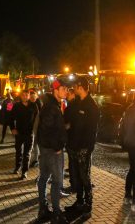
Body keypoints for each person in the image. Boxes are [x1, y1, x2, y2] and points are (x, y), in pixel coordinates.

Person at [64, 78, 99, 220]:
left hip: (83, 148)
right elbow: (70, 120)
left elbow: (92, 131)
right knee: (77, 177)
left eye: (76, 86)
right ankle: (79, 202)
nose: (74, 88)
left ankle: (88, 205)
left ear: (81, 87)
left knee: (85, 177)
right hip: (73, 146)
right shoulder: (78, 103)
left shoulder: (92, 106)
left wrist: (87, 148)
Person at [37, 80, 68, 224]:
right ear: (56, 91)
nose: (66, 91)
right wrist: (57, 147)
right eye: (63, 89)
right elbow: (47, 130)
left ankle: (43, 209)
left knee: (43, 177)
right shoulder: (52, 108)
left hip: (46, 148)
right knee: (57, 181)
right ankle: (56, 214)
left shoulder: (51, 106)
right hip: (52, 150)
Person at [10, 90, 39, 180]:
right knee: (18, 151)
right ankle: (17, 167)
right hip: (19, 132)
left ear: (29, 96)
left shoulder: (34, 106)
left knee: (27, 153)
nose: (25, 96)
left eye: (27, 95)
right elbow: (10, 117)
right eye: (23, 95)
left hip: (29, 133)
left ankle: (24, 171)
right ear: (21, 96)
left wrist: (36, 130)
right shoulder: (16, 106)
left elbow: (38, 118)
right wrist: (12, 128)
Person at [29, 89, 43, 168]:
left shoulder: (38, 104)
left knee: (35, 144)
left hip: (37, 127)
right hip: (34, 127)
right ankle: (36, 158)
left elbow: (38, 117)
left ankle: (36, 159)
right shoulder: (33, 103)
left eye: (33, 97)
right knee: (34, 144)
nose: (32, 99)